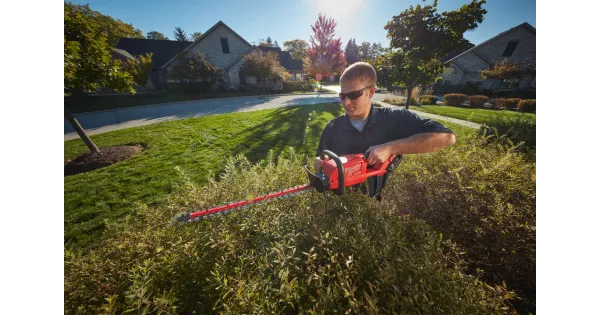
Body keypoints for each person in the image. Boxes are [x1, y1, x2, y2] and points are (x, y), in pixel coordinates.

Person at [314, 62, 456, 200]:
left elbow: (447, 137)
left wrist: (390, 148)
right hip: (342, 208)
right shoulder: (332, 128)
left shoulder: (395, 118)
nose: (346, 102)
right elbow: (321, 164)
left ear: (371, 92)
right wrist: (320, 166)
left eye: (353, 95)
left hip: (385, 206)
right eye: (342, 96)